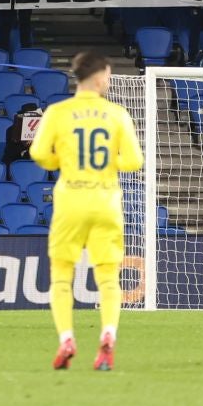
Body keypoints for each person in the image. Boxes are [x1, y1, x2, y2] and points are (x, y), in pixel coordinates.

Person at [29, 51, 143, 371]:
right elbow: (134, 161)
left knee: (61, 277)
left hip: (71, 200)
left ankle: (66, 338)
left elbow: (38, 152)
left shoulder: (58, 112)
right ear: (97, 77)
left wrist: (61, 162)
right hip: (106, 201)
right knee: (108, 278)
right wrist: (109, 164)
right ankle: (107, 335)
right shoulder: (117, 113)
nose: (108, 80)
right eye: (107, 74)